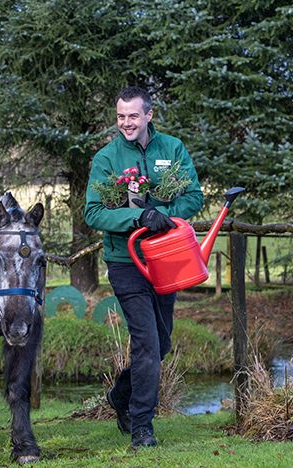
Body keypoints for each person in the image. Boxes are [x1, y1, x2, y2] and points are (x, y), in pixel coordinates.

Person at [84, 86, 203, 449]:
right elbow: (94, 212)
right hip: (126, 262)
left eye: (133, 116)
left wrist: (164, 218)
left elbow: (194, 195)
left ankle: (120, 395)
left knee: (162, 343)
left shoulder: (173, 149)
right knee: (147, 343)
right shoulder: (107, 158)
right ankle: (141, 427)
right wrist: (139, 216)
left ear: (149, 115)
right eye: (121, 116)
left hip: (167, 260)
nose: (126, 123)